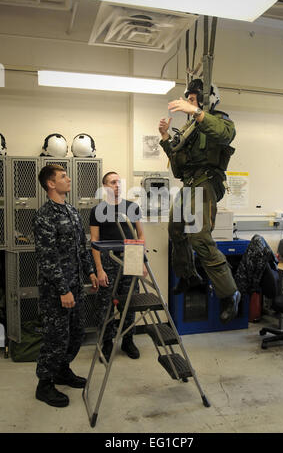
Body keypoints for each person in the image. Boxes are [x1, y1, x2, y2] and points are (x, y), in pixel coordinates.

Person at [158, 78, 240, 324]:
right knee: (175, 229)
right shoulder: (189, 129)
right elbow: (177, 161)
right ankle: (188, 275)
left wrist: (196, 111)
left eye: (192, 99)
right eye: (188, 99)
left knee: (199, 237)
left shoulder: (219, 120)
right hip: (189, 184)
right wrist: (164, 138)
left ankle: (229, 293)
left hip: (206, 183)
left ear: (206, 99)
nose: (188, 103)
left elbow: (226, 134)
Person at [33, 164, 99, 408]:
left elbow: (81, 246)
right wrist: (63, 290)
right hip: (56, 290)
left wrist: (90, 271)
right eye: (63, 177)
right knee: (56, 338)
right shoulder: (44, 216)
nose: (68, 179)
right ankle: (45, 383)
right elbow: (47, 258)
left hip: (76, 285)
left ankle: (62, 370)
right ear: (51, 184)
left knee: (77, 333)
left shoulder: (71, 211)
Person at [90, 171, 146, 362]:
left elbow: (140, 235)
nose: (117, 185)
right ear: (105, 187)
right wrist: (99, 269)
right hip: (108, 261)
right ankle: (107, 342)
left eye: (119, 182)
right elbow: (94, 241)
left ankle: (128, 340)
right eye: (113, 182)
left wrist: (141, 261)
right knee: (105, 305)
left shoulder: (131, 207)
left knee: (130, 302)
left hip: (130, 259)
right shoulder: (98, 211)